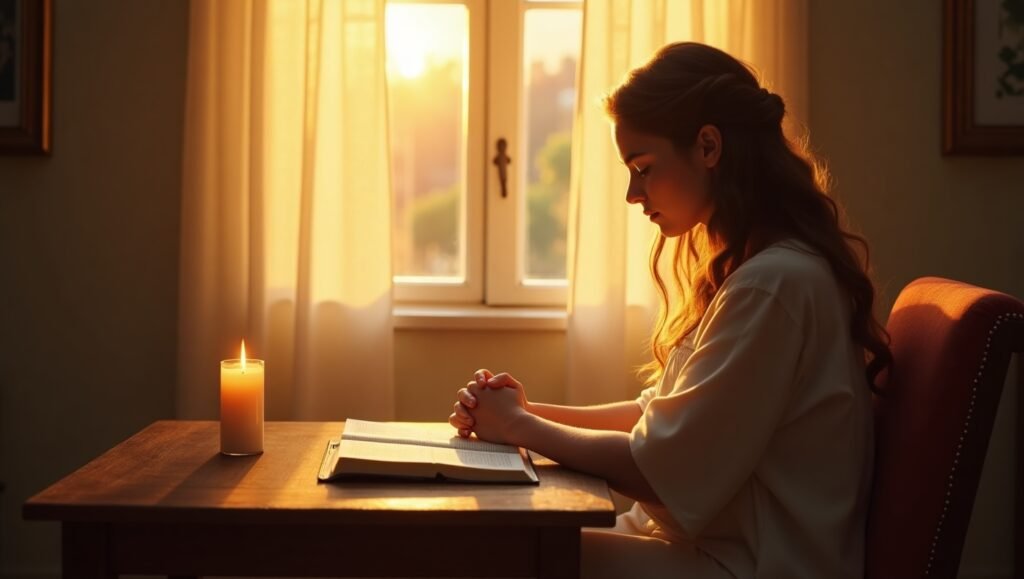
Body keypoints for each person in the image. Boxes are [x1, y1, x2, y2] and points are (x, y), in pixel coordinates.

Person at [449, 41, 891, 579]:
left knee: (488, 552)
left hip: (748, 565)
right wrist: (526, 411)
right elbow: (657, 419)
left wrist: (518, 427)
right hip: (707, 550)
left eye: (643, 167)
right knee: (499, 535)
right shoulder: (759, 273)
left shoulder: (775, 286)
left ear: (708, 146)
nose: (634, 194)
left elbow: (659, 470)